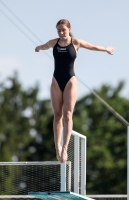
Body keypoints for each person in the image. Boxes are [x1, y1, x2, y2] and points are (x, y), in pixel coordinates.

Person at [35, 19, 115, 163]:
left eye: (63, 30)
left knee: (67, 114)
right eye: (58, 30)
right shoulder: (54, 42)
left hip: (70, 81)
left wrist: (106, 49)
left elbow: (91, 46)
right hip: (55, 81)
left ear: (69, 29)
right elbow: (45, 45)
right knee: (57, 114)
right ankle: (57, 147)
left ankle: (65, 147)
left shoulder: (76, 42)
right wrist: (39, 48)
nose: (61, 33)